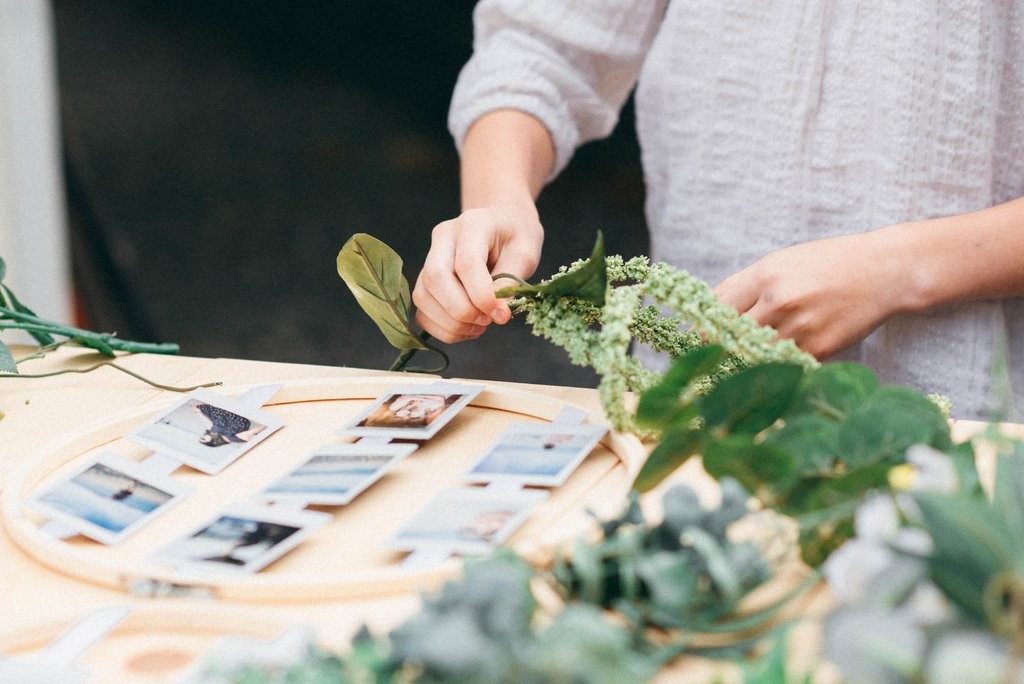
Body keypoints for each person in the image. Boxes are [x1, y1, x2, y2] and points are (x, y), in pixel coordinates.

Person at [412, 1, 1024, 420]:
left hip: (975, 423)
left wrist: (897, 271)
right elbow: (544, 45)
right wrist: (497, 203)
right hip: (693, 404)